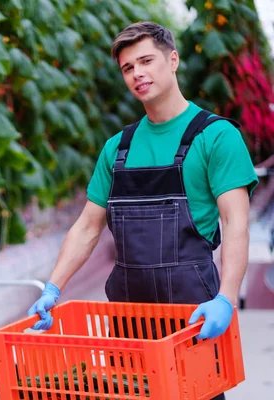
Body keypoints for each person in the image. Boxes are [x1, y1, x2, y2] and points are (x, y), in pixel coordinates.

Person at [27, 21, 259, 400]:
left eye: (146, 61)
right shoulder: (117, 149)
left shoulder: (216, 137)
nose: (138, 74)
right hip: (128, 320)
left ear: (173, 60)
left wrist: (226, 298)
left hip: (192, 317)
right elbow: (87, 227)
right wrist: (53, 287)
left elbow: (236, 224)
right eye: (128, 68)